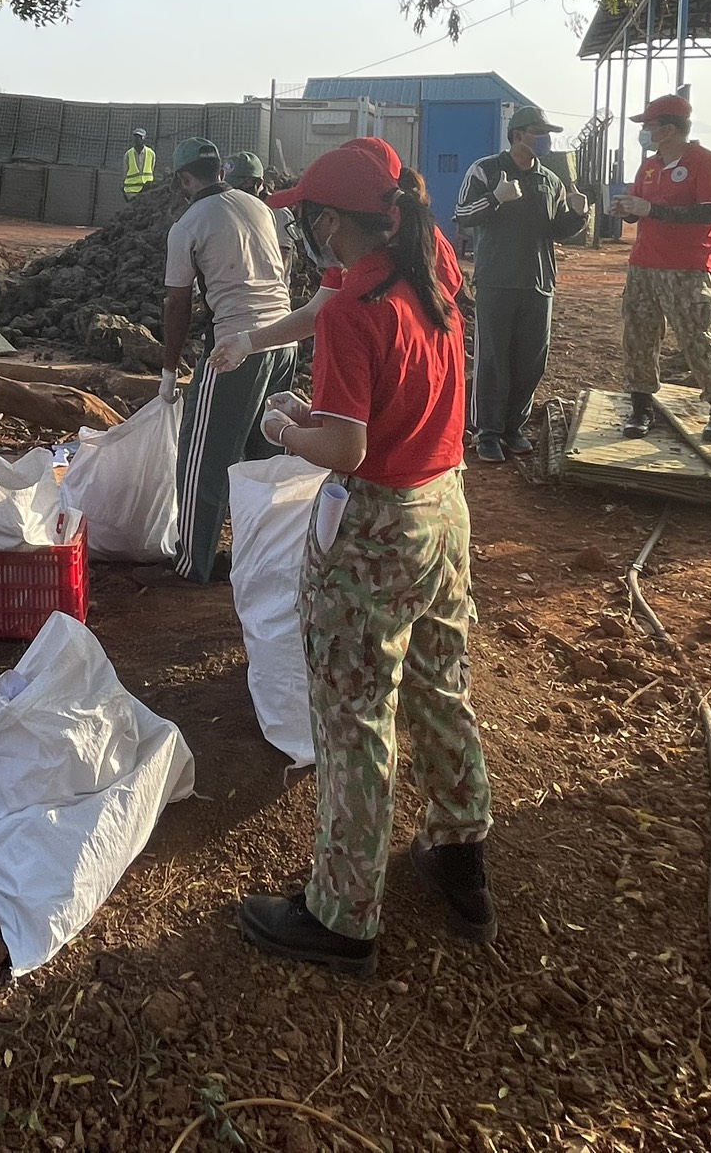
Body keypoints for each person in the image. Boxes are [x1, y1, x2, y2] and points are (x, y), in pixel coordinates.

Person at [237, 137, 491, 974]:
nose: (304, 231)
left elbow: (343, 447)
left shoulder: (355, 313)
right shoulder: (430, 260)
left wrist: (283, 425)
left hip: (376, 525)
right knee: (438, 685)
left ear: (336, 221)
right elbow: (332, 307)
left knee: (354, 719)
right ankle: (462, 853)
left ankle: (343, 914)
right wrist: (260, 337)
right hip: (444, 508)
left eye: (308, 216)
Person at [159, 137, 296, 583]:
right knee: (263, 459)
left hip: (237, 349)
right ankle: (259, 558)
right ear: (220, 169)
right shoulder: (259, 207)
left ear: (185, 178)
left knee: (205, 459)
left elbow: (177, 303)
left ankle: (193, 565)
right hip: (283, 340)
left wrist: (168, 368)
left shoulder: (188, 223)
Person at [451, 107, 591, 463]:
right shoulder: (485, 170)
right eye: (537, 132)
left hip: (539, 281)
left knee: (532, 361)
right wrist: (496, 198)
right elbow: (463, 216)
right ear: (517, 135)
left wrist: (577, 213)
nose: (544, 139)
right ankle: (488, 432)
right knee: (494, 360)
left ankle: (514, 427)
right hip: (498, 281)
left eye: (546, 133)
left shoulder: (551, 181)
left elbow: (557, 230)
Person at [611, 94, 711, 443]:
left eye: (648, 126)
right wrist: (628, 209)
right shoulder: (649, 166)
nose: (644, 132)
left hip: (686, 268)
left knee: (695, 338)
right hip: (643, 266)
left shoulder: (706, 163)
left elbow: (708, 213)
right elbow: (640, 209)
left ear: (668, 129)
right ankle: (641, 407)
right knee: (638, 336)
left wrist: (650, 209)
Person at [123, 127, 156, 201]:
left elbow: (152, 169)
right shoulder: (128, 154)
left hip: (146, 189)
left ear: (143, 138)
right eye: (135, 137)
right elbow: (125, 171)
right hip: (131, 191)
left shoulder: (151, 153)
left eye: (139, 137)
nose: (137, 139)